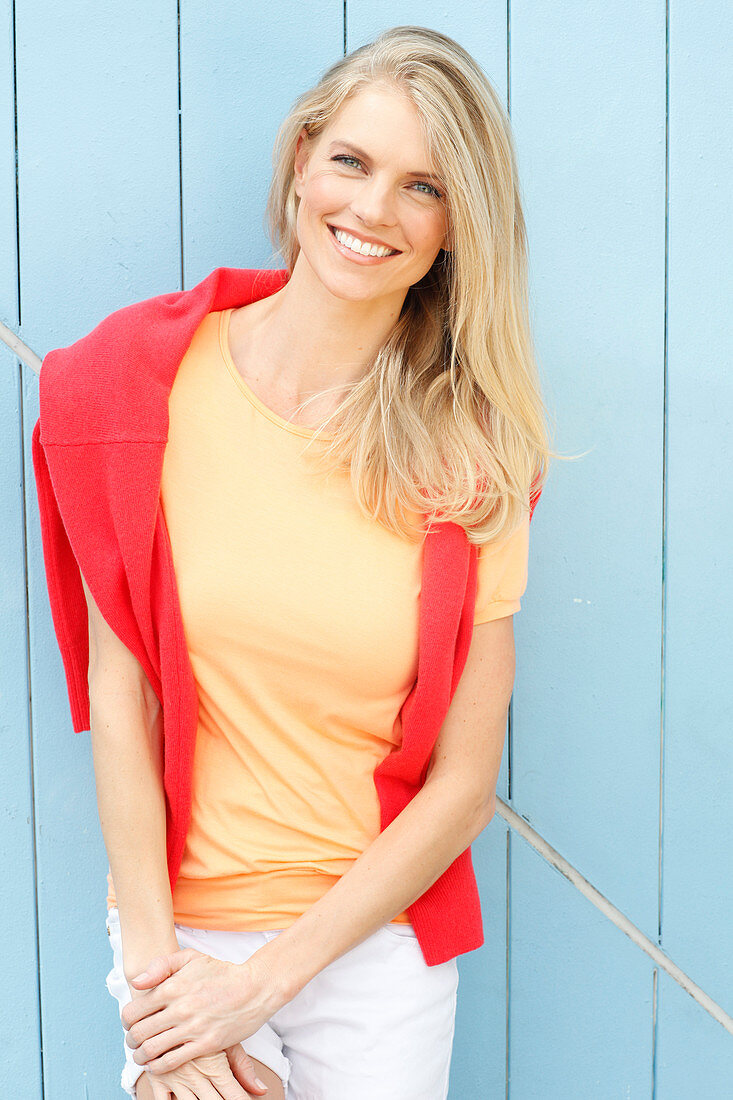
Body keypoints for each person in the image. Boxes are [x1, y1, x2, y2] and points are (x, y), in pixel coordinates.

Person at [33, 24, 554, 1100]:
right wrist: (158, 983)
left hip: (371, 949)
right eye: (353, 162)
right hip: (178, 934)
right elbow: (117, 690)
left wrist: (268, 980)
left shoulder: (474, 455)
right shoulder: (127, 389)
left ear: (457, 228)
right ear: (303, 157)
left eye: (424, 187)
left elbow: (461, 786)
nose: (372, 211)